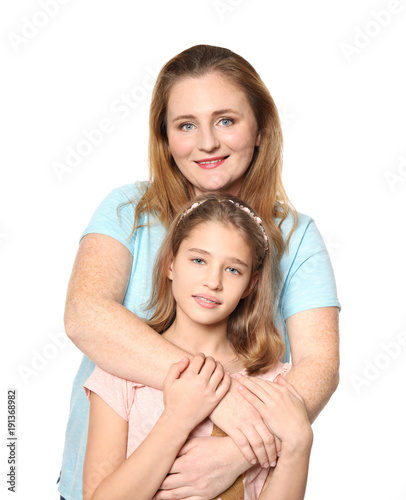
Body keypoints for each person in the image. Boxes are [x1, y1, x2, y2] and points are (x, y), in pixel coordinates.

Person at [58, 44, 340, 500]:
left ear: (261, 129)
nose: (207, 142)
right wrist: (214, 396)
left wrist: (242, 452)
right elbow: (84, 314)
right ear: (166, 138)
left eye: (226, 120)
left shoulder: (298, 236)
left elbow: (320, 365)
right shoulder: (129, 210)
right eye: (186, 125)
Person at [82, 193, 313, 500]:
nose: (212, 282)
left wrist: (299, 444)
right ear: (170, 264)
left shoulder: (273, 386)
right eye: (199, 260)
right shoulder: (121, 372)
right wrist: (177, 418)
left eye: (233, 269)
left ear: (251, 284)